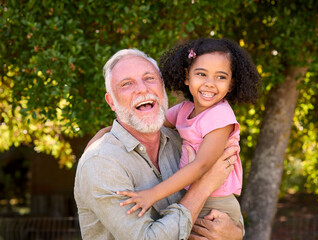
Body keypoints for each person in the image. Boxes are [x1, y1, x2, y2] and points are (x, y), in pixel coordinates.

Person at [74, 48, 243, 239]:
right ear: (111, 102)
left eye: (149, 78)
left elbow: (222, 197)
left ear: (163, 90)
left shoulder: (180, 139)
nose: (142, 89)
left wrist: (236, 232)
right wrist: (202, 187)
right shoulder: (102, 163)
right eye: (127, 84)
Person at [116, 38, 260, 225]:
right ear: (186, 76)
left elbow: (201, 165)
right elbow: (149, 124)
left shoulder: (221, 118)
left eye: (221, 77)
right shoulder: (183, 109)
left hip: (216, 205)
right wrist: (110, 131)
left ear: (231, 84)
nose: (210, 83)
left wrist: (153, 194)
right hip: (193, 197)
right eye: (201, 74)